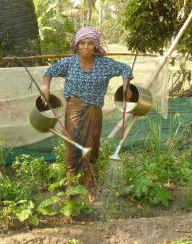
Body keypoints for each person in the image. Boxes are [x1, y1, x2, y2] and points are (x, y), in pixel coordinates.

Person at [42, 27, 133, 202]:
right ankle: (70, 184)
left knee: (92, 143)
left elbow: (126, 69)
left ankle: (88, 183)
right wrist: (46, 89)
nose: (85, 47)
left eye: (90, 43)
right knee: (72, 143)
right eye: (82, 43)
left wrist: (126, 86)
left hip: (94, 110)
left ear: (96, 46)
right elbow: (49, 72)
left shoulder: (105, 64)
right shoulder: (69, 63)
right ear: (76, 45)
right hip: (74, 110)